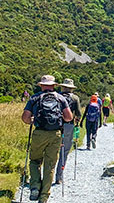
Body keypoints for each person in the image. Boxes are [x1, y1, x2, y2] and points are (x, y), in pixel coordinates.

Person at [21, 75, 73, 203]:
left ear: (42, 85)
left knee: (34, 161)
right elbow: (68, 118)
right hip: (55, 134)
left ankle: (34, 187)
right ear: (54, 85)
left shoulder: (34, 98)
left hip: (39, 134)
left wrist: (33, 120)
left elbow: (25, 118)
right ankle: (44, 197)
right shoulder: (60, 98)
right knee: (50, 166)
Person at [55, 78, 81, 185]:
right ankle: (59, 176)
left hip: (55, 125)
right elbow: (78, 114)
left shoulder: (56, 96)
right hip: (68, 126)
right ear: (71, 88)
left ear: (62, 87)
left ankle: (47, 176)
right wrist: (76, 123)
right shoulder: (75, 98)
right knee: (64, 151)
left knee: (51, 151)